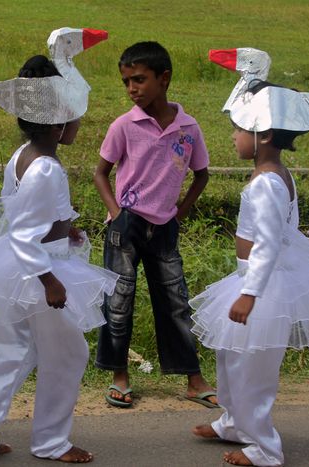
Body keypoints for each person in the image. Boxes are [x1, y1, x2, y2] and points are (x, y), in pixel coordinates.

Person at [0, 28, 114, 463]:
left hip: (14, 269)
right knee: (68, 355)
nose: (80, 125)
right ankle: (50, 441)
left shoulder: (24, 154)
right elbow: (29, 234)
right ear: (60, 119)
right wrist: (50, 281)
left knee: (6, 355)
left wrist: (69, 229)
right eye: (77, 116)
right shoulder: (47, 167)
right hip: (40, 272)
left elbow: (27, 214)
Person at [191, 48, 309, 466]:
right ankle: (234, 422)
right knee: (230, 355)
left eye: (239, 130)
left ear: (262, 135)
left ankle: (265, 448)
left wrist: (251, 294)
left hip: (261, 285)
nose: (233, 137)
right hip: (249, 280)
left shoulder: (266, 185)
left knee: (253, 370)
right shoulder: (272, 173)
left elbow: (270, 244)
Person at [93, 41, 216, 409]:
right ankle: (120, 376)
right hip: (125, 227)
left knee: (176, 302)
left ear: (164, 79)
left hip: (164, 227)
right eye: (126, 81)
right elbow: (100, 173)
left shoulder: (188, 128)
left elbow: (202, 174)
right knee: (118, 302)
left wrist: (180, 212)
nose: (132, 88)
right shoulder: (124, 125)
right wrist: (116, 212)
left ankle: (194, 380)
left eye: (139, 80)